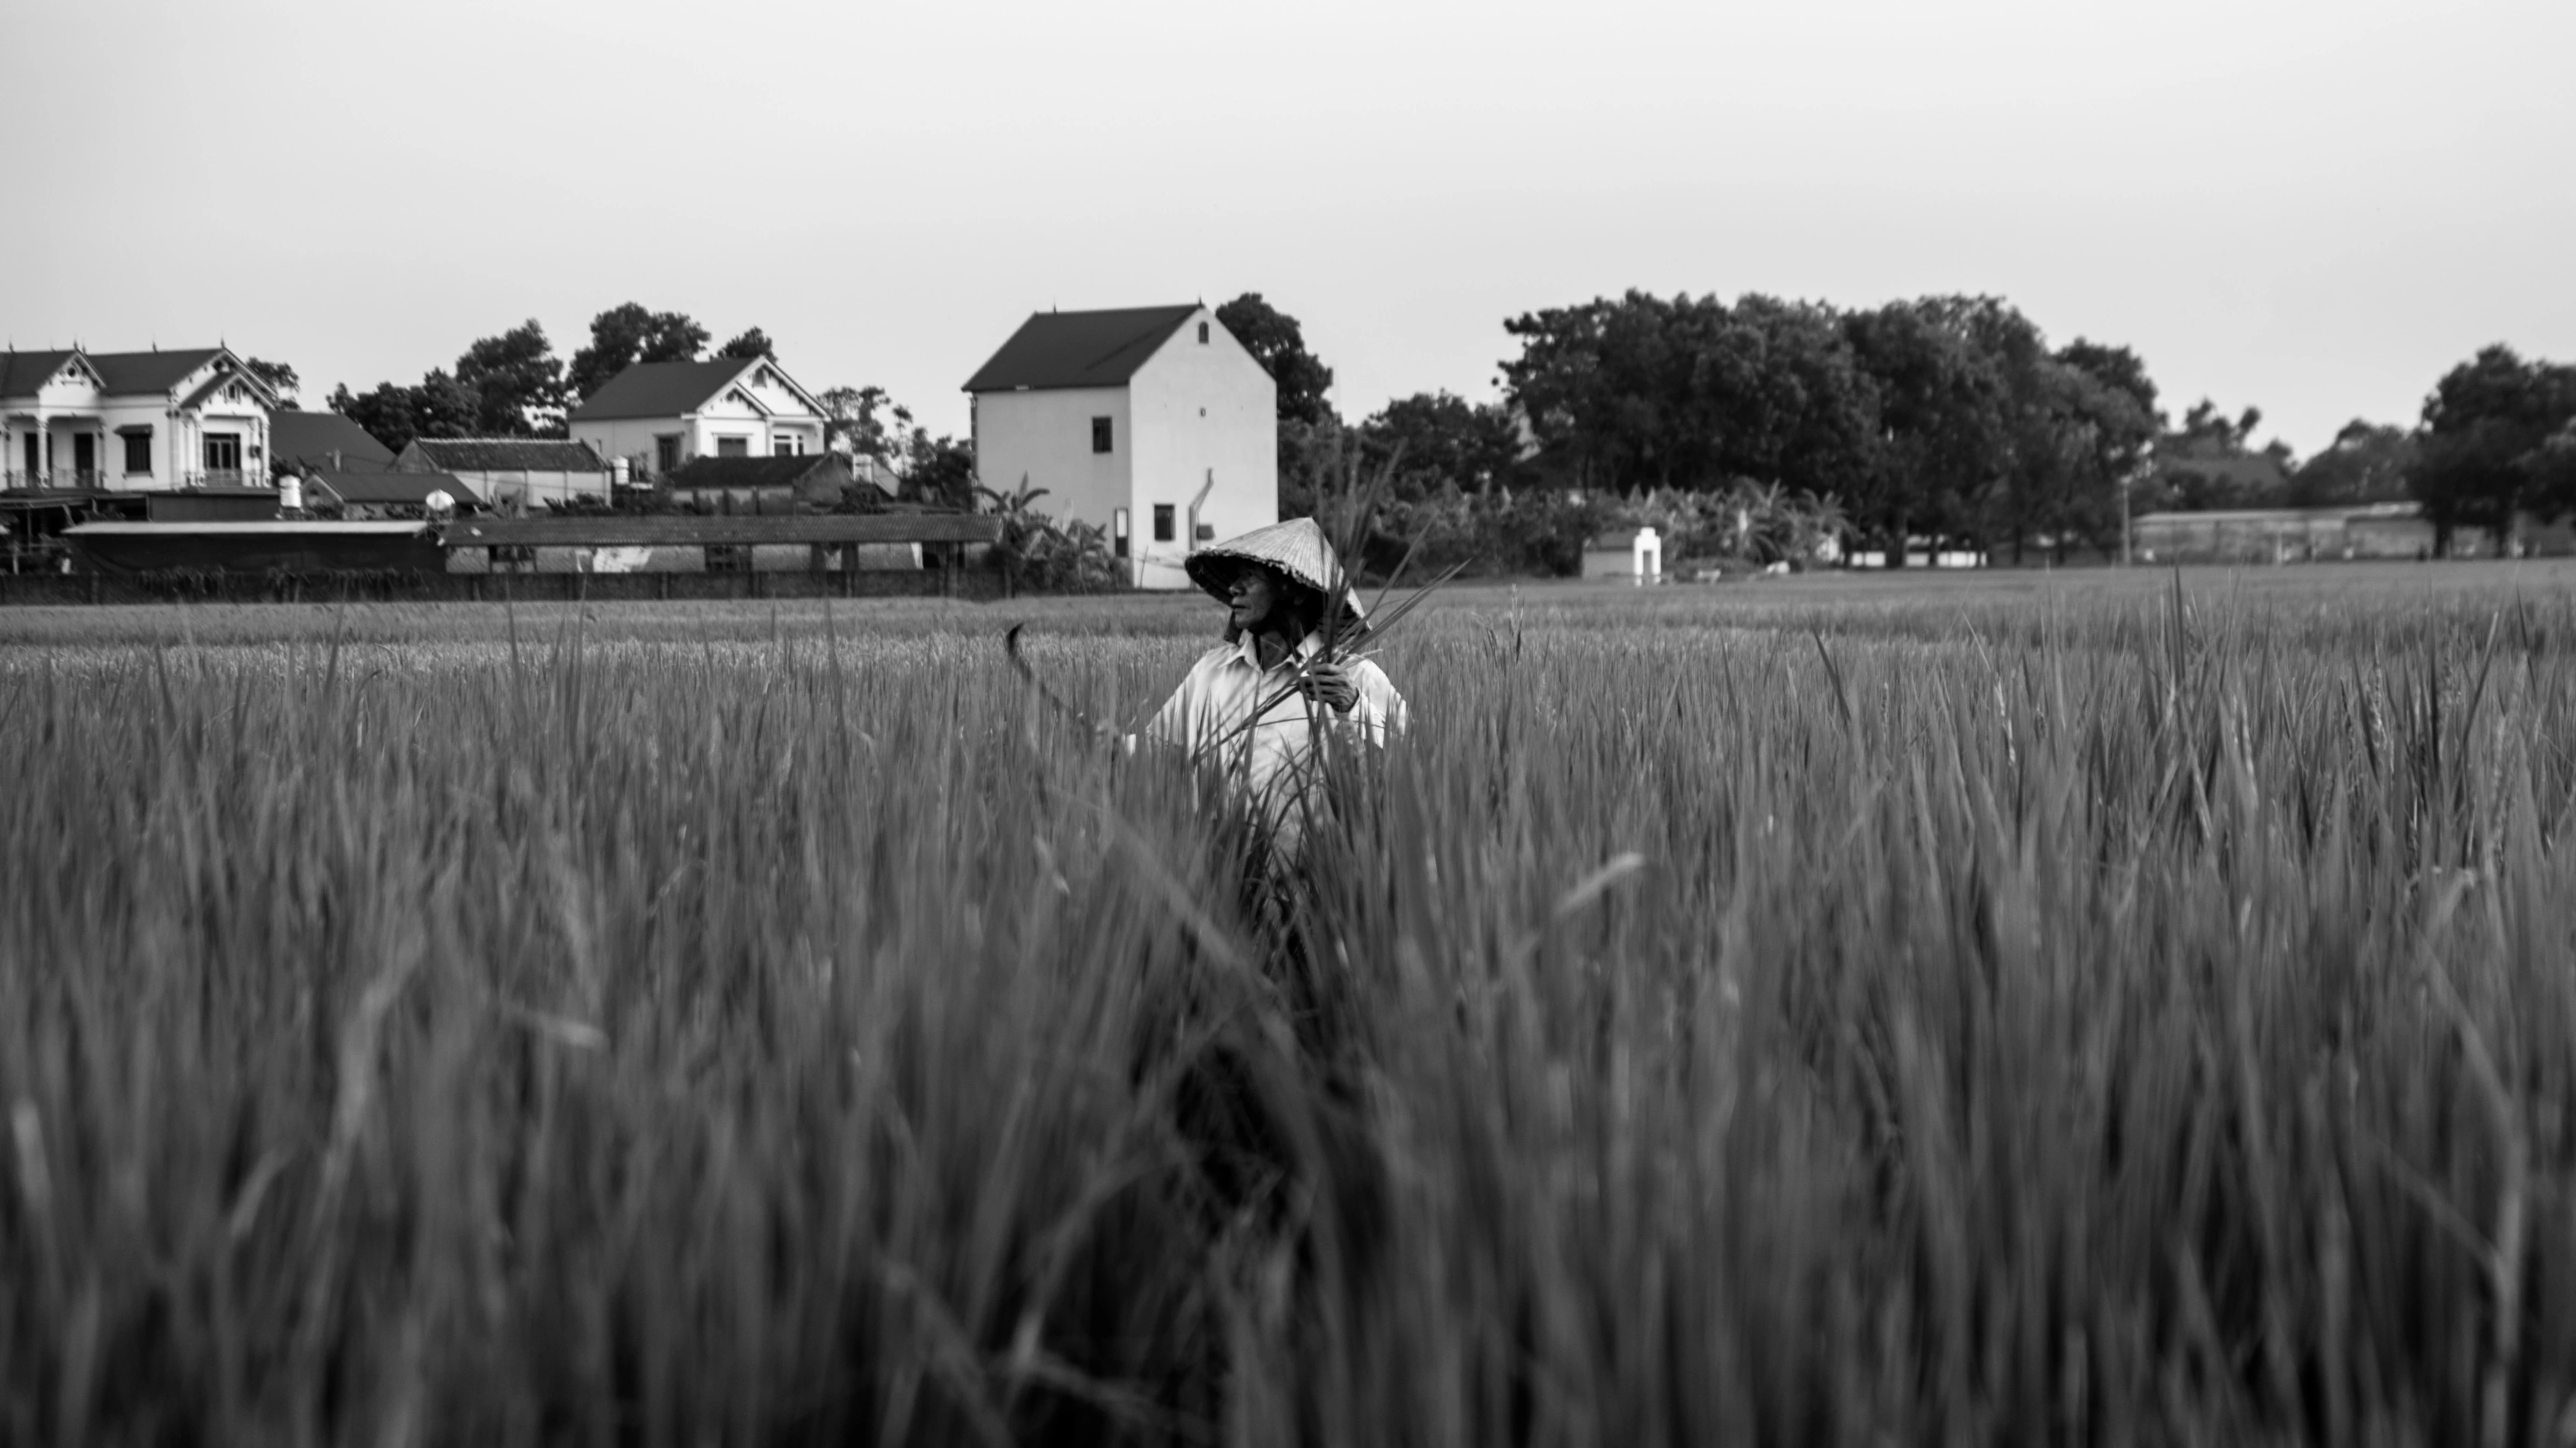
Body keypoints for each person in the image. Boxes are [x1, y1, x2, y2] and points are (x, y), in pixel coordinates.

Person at [1138, 518, 1407, 857]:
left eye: (1249, 577)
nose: (1235, 588)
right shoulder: (1212, 671)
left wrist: (1353, 706)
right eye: (1235, 577)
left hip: (1311, 884)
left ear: (1294, 590)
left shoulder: (1354, 677)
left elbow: (1408, 772)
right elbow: (1164, 748)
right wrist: (1115, 745)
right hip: (1219, 879)